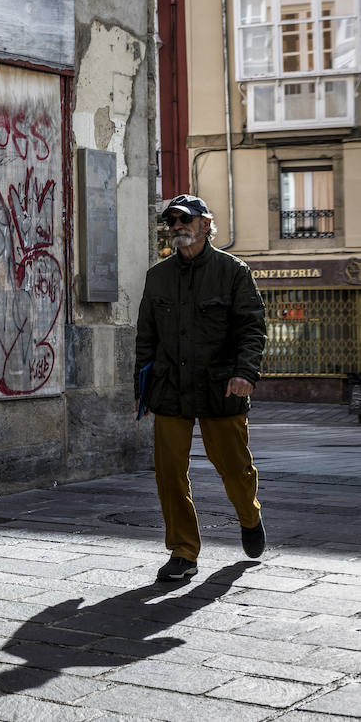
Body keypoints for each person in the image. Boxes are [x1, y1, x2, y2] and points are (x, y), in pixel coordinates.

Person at [134, 194, 267, 582]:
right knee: (169, 472)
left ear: (206, 224)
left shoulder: (233, 271)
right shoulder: (158, 276)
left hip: (221, 387)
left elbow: (252, 328)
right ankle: (183, 551)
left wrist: (245, 373)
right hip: (169, 388)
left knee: (234, 467)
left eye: (185, 219)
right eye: (171, 221)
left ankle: (249, 516)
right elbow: (146, 336)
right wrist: (142, 387)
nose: (177, 227)